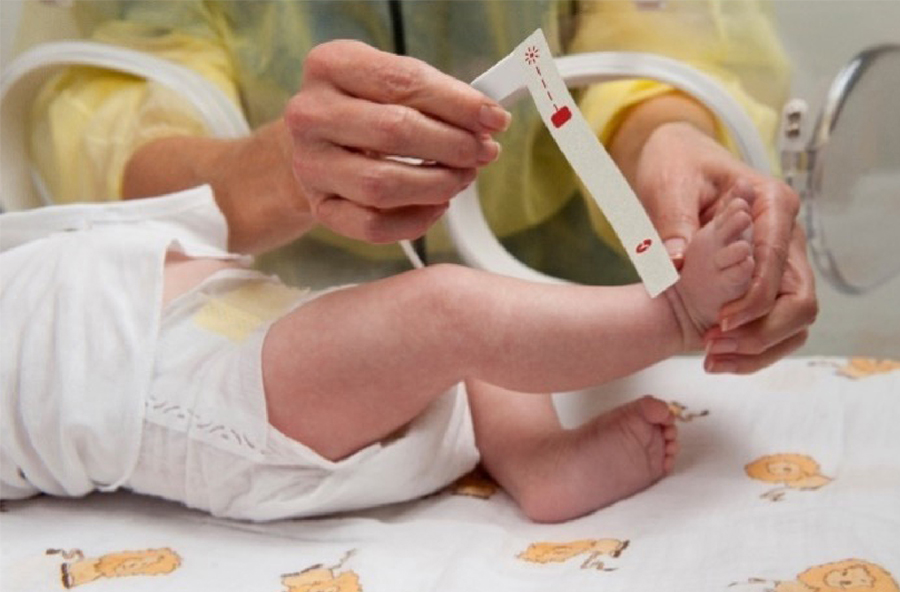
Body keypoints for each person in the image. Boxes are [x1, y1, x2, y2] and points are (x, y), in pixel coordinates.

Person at [22, 0, 817, 375]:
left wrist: (667, 135)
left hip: (582, 299)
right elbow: (112, 116)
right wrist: (275, 173)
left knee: (520, 376)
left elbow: (649, 27)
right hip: (290, 311)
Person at [2, 181, 756, 522]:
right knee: (448, 312)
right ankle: (677, 315)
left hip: (249, 321)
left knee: (467, 332)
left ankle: (534, 456)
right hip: (212, 395)